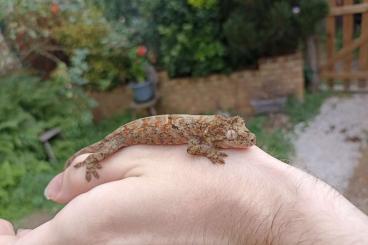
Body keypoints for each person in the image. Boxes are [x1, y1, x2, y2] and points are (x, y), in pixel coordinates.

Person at [1, 145, 368, 244]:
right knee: (106, 149)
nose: (243, 143)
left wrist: (274, 205)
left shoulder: (212, 134)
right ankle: (89, 161)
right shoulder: (203, 137)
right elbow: (196, 148)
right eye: (237, 139)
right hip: (129, 136)